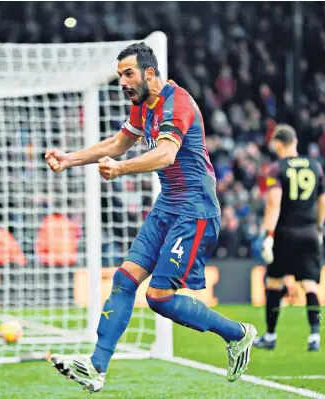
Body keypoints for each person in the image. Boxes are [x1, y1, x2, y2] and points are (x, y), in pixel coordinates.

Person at [45, 42, 257, 393]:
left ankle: (238, 334)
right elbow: (117, 144)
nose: (123, 82)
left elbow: (165, 156)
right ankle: (96, 367)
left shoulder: (179, 103)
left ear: (148, 73)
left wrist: (122, 169)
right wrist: (70, 159)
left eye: (128, 74)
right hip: (168, 206)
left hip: (195, 209)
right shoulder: (144, 108)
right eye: (119, 76)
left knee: (158, 298)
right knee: (125, 278)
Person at [254, 124, 325, 352]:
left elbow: (274, 204)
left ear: (278, 144)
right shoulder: (315, 166)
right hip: (309, 232)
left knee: (274, 283)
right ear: (295, 141)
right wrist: (318, 226)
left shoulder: (276, 168)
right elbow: (323, 199)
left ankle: (270, 335)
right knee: (309, 284)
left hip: (285, 233)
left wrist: (268, 234)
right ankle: (314, 335)